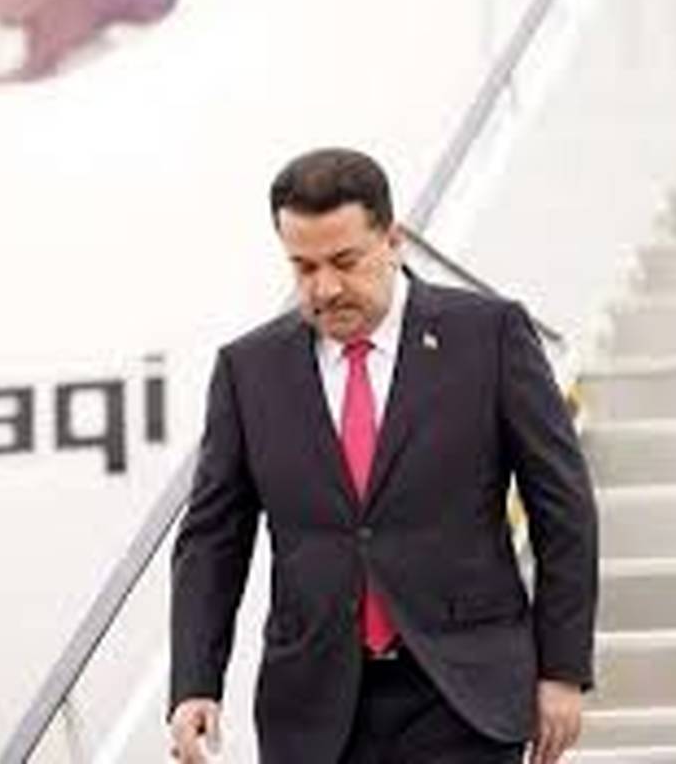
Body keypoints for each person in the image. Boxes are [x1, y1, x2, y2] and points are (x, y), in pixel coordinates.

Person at [169, 147, 598, 764]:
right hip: (313, 710)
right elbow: (213, 539)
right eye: (303, 267)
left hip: (464, 695)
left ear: (393, 241)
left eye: (345, 262)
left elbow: (564, 509)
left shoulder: (489, 336)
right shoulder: (249, 370)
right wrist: (195, 683)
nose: (325, 288)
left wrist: (562, 670)